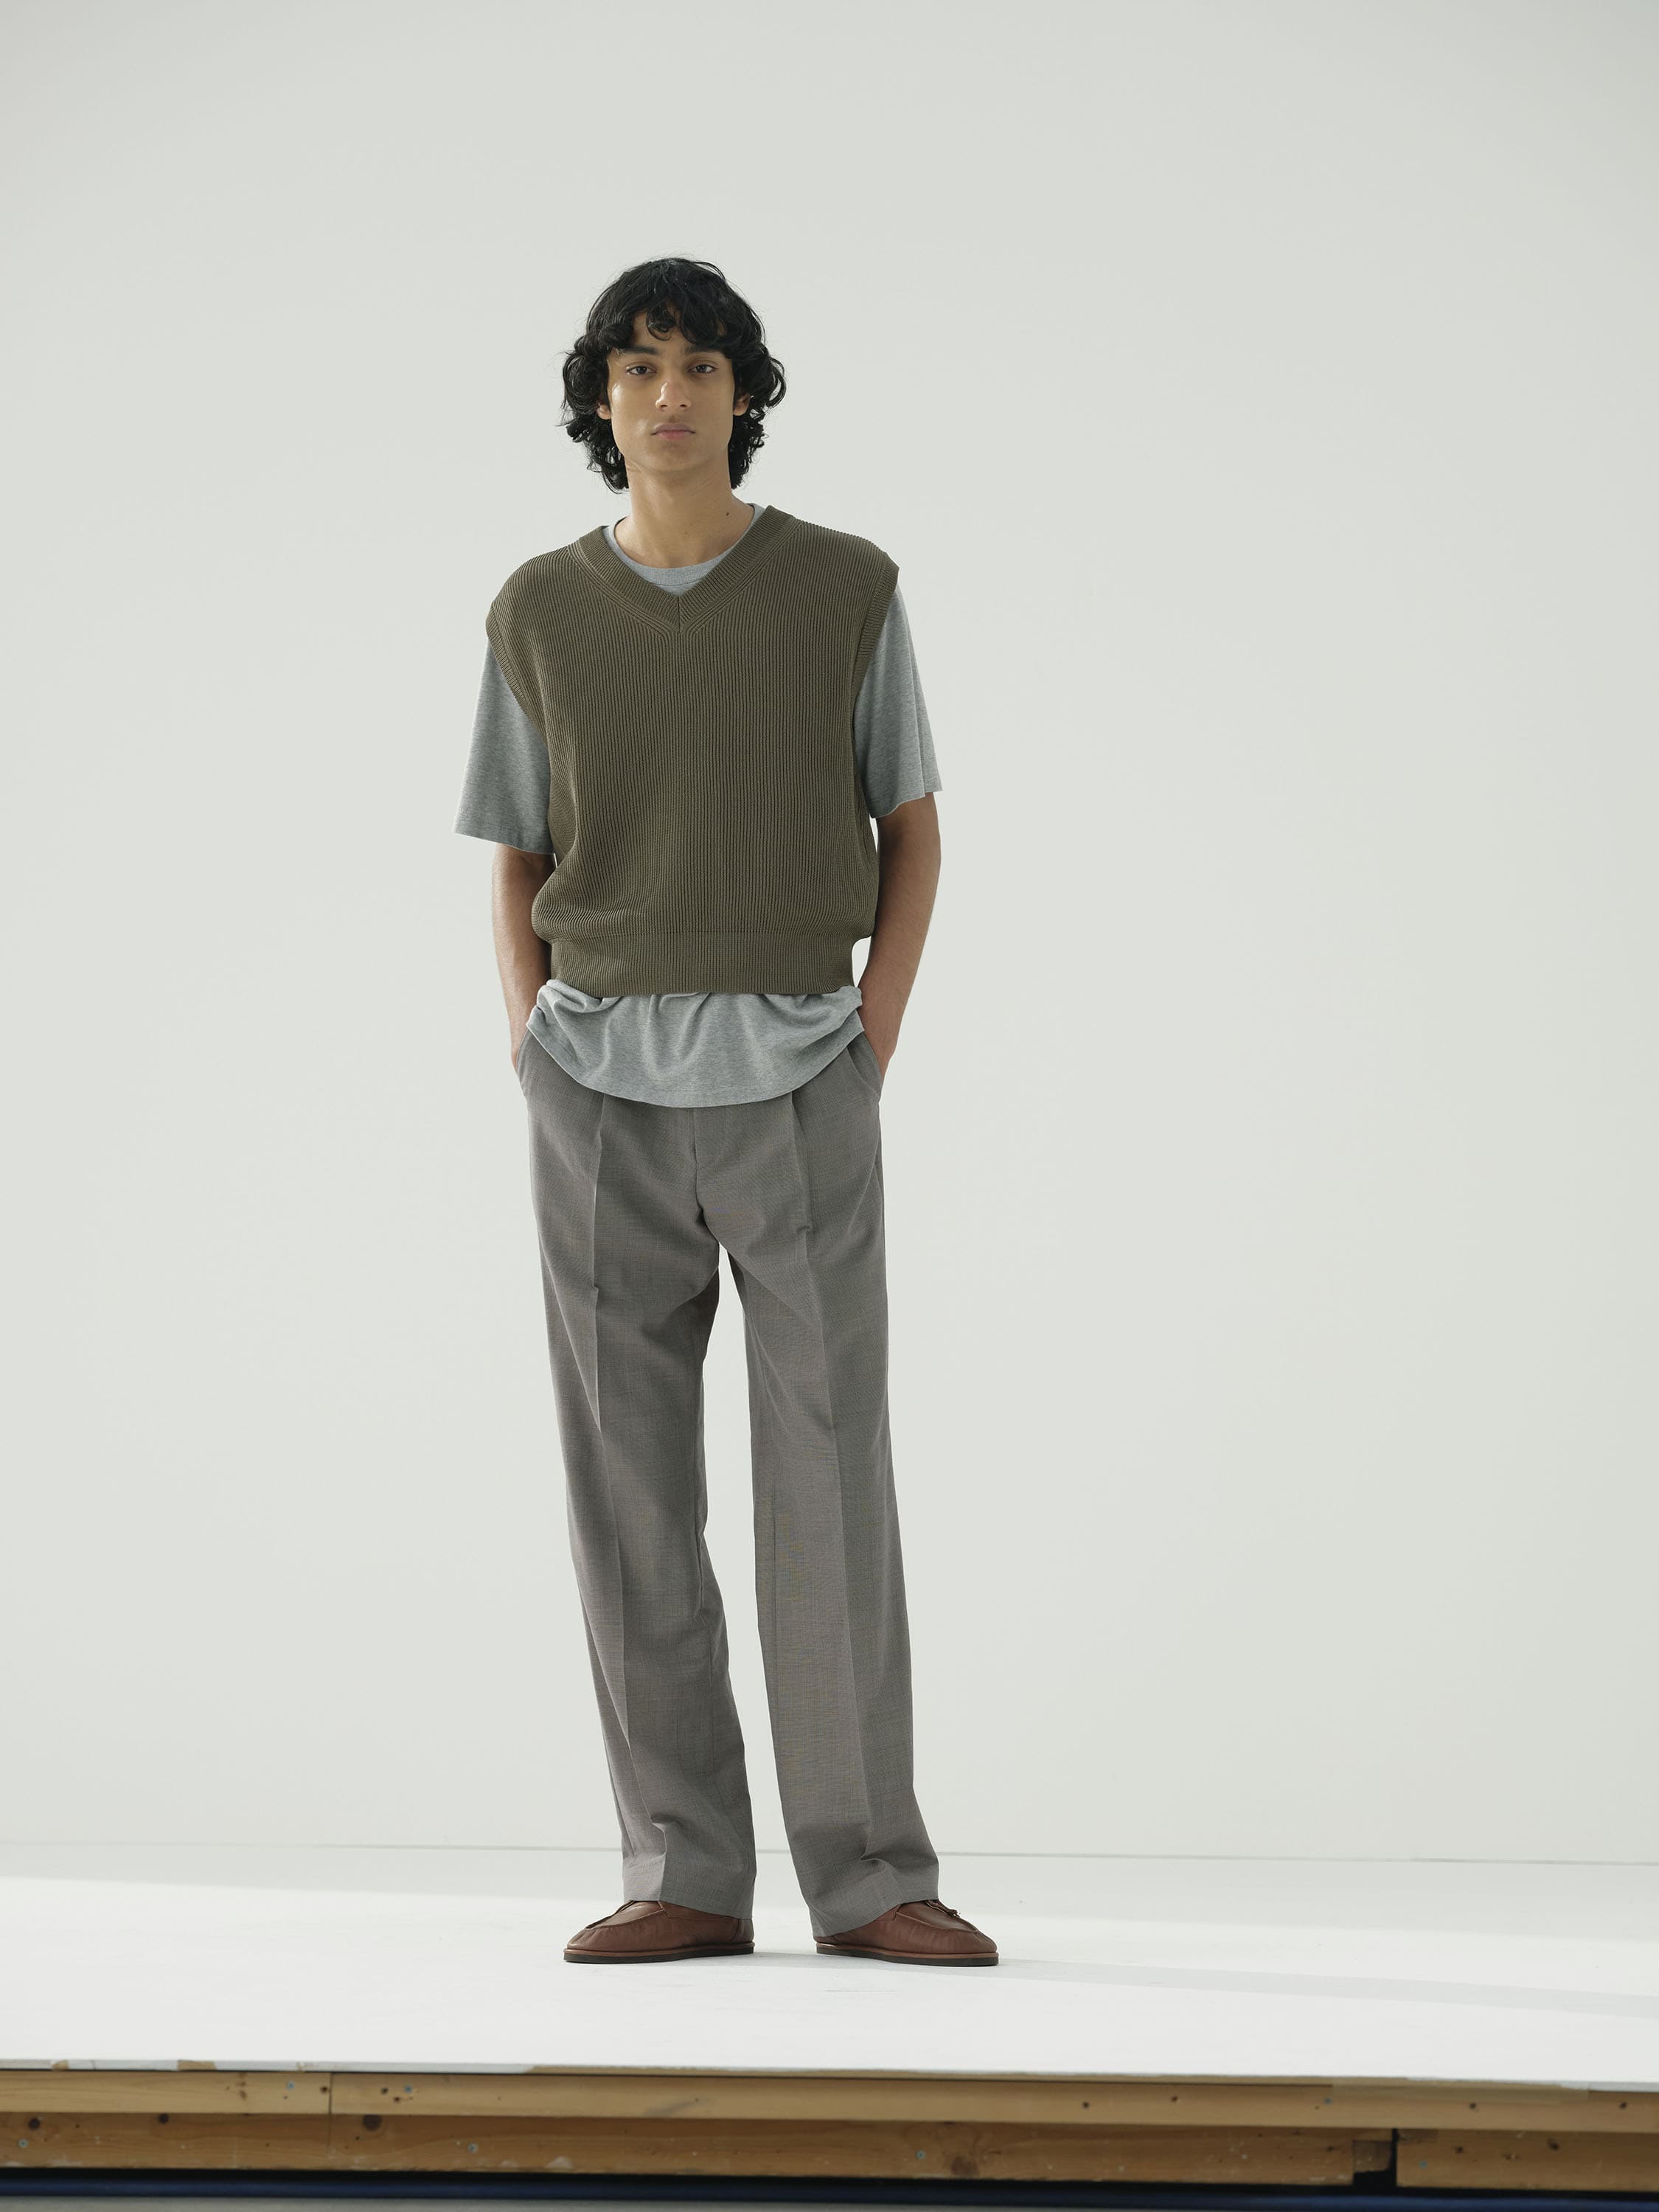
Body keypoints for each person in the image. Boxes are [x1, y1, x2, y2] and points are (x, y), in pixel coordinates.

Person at [454, 257, 995, 1969]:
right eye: (637, 367)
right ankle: (684, 1872)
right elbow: (515, 854)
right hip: (597, 1092)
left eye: (698, 365)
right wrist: (531, 1044)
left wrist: (868, 1041)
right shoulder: (540, 611)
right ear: (599, 402)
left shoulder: (844, 590)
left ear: (744, 393)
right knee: (628, 1492)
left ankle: (870, 1876)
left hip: (801, 1078)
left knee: (832, 1478)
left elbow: (912, 827)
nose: (668, 394)